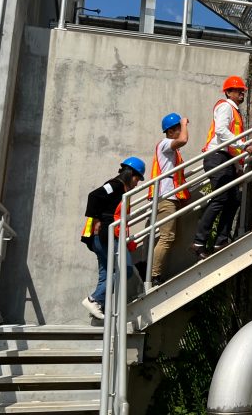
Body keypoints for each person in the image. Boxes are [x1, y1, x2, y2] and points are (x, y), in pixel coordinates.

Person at [192, 76, 252, 260]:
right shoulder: (226, 107)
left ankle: (221, 240)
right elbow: (221, 131)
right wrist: (244, 146)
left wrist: (237, 164)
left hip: (226, 158)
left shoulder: (234, 111)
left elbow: (229, 144)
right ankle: (199, 241)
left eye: (242, 91)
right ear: (228, 92)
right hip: (217, 157)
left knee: (234, 199)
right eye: (238, 91)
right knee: (221, 197)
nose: (241, 94)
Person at [80, 157, 145, 319]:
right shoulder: (115, 186)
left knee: (107, 273)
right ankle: (94, 299)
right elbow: (94, 196)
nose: (137, 183)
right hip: (105, 236)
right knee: (126, 269)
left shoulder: (122, 190)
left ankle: (97, 306)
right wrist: (96, 220)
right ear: (130, 173)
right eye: (137, 178)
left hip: (103, 237)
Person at [147, 112, 189, 285]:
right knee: (167, 237)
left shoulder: (171, 149)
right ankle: (153, 275)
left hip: (171, 197)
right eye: (178, 128)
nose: (182, 131)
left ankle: (152, 271)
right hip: (166, 198)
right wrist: (185, 123)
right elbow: (184, 140)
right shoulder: (165, 144)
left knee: (170, 237)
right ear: (171, 131)